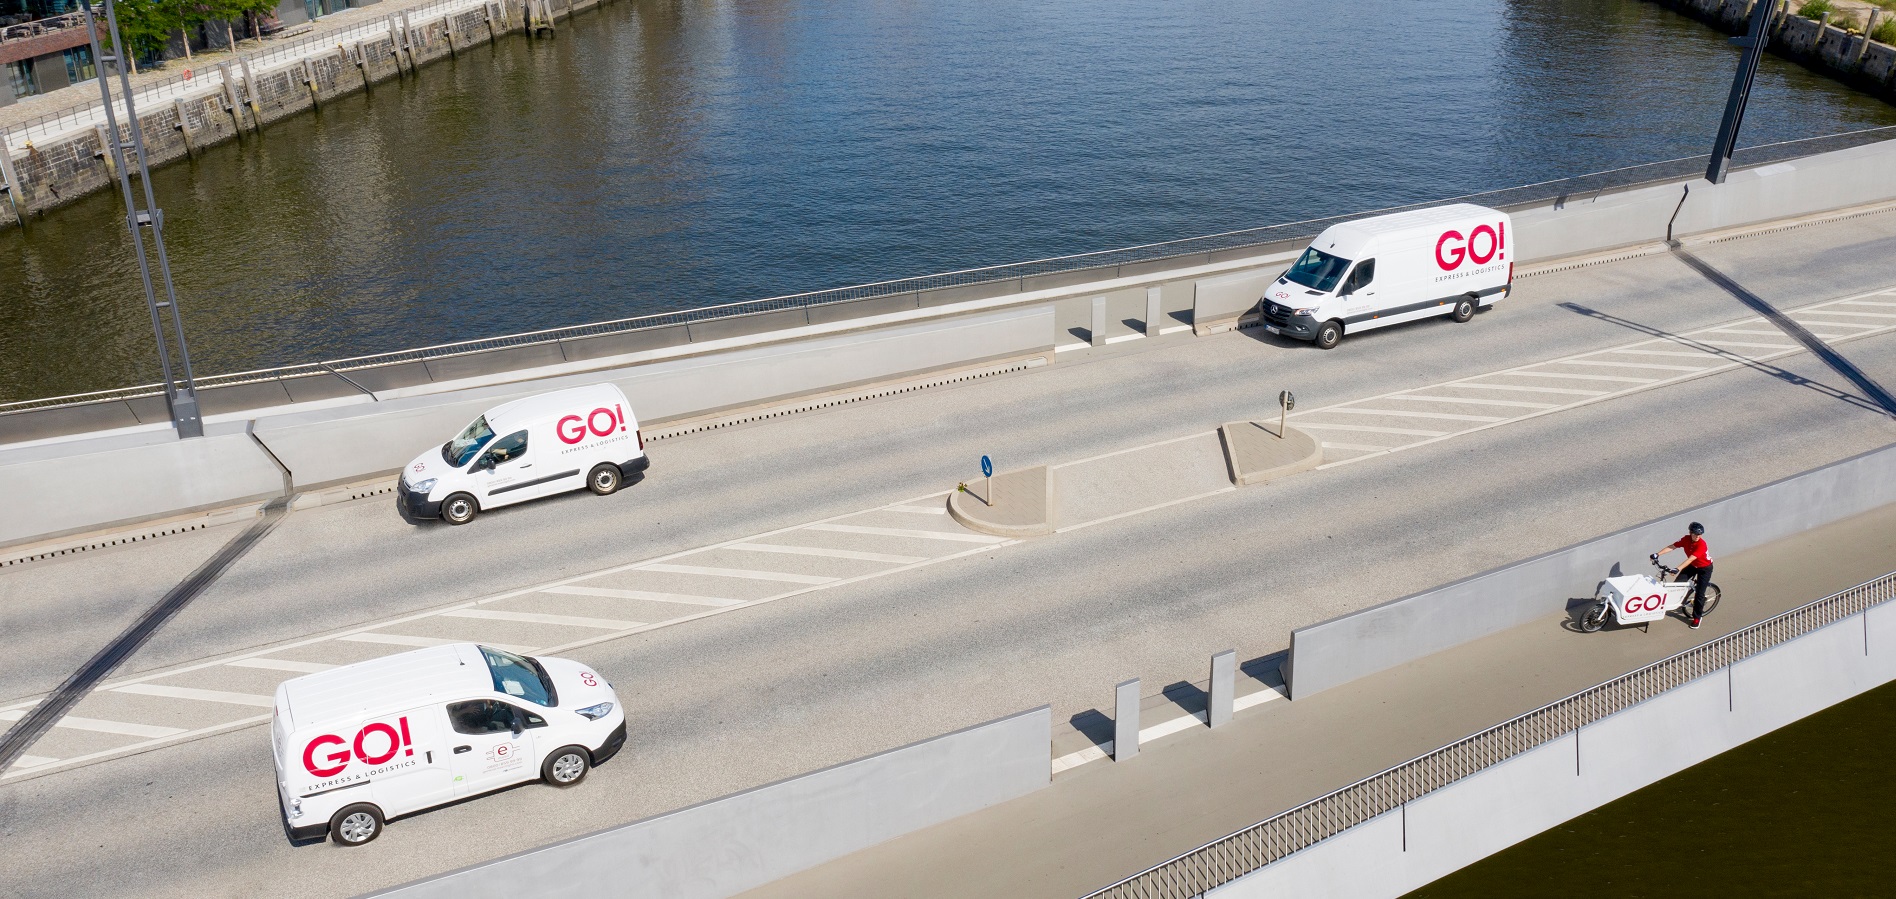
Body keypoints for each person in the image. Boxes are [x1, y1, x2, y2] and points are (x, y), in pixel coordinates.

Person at [1654, 522, 1714, 630]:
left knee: (1700, 595)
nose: (1698, 537)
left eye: (1700, 535)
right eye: (1696, 534)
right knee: (1677, 584)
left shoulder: (1701, 544)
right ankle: (1681, 598)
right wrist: (1657, 554)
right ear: (1690, 533)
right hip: (1693, 566)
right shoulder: (1686, 539)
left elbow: (1690, 558)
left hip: (1704, 569)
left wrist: (1677, 568)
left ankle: (1697, 618)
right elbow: (1672, 546)